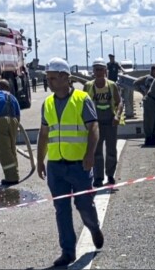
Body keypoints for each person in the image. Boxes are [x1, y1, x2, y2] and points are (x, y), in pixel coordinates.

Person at [37, 57, 104, 267]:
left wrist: (90, 154)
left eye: (53, 78)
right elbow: (44, 133)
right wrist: (40, 161)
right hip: (56, 166)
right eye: (48, 78)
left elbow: (93, 127)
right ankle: (68, 252)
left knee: (84, 205)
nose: (49, 82)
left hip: (79, 165)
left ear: (65, 78)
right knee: (61, 209)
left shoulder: (82, 99)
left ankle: (93, 227)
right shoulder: (47, 103)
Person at [84, 57, 123, 188]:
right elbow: (82, 105)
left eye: (101, 69)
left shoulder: (112, 85)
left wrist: (117, 116)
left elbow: (119, 102)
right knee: (96, 151)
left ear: (105, 71)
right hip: (95, 124)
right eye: (96, 70)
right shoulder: (88, 86)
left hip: (110, 122)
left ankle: (110, 176)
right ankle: (98, 178)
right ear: (93, 71)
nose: (99, 72)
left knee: (111, 150)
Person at [0, 79, 21, 185]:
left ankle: (11, 178)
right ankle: (15, 173)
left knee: (4, 150)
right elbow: (18, 115)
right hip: (14, 121)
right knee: (11, 148)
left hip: (0, 120)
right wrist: (15, 127)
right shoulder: (13, 98)